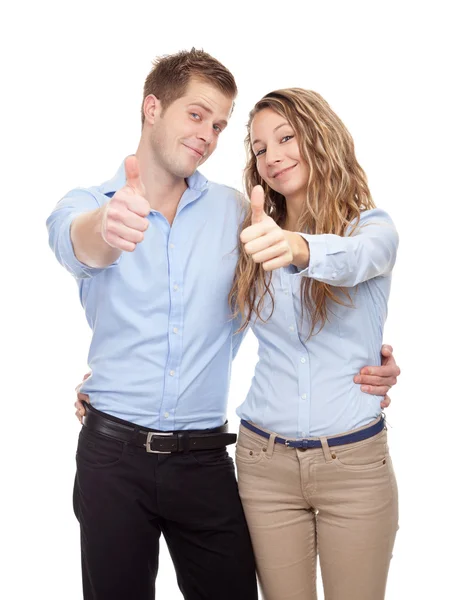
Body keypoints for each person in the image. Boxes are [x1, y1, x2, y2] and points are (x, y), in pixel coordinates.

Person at [48, 49, 399, 600]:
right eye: (196, 115)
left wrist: (367, 355)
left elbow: (338, 270)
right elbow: (78, 244)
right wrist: (107, 228)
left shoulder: (240, 217)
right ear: (152, 107)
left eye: (218, 125)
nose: (208, 135)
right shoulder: (91, 204)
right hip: (115, 456)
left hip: (210, 459)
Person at [230, 88, 399, 600]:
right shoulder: (252, 239)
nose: (273, 156)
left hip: (353, 468)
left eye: (286, 137)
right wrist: (113, 380)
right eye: (260, 148)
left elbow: (353, 260)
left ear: (320, 137)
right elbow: (203, 333)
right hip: (264, 466)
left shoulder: (372, 229)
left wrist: (296, 247)